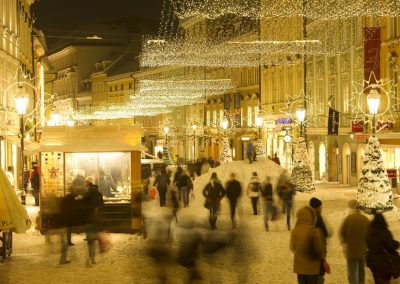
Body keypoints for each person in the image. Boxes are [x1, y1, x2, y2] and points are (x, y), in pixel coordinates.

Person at [290, 205, 326, 284]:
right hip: (313, 267)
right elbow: (320, 250)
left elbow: (292, 248)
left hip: (299, 267)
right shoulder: (315, 231)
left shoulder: (294, 231)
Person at [339, 200, 370, 284]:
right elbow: (370, 235)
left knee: (352, 271)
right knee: (361, 270)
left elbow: (342, 233)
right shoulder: (365, 219)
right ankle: (361, 282)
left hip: (351, 250)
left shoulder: (348, 219)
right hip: (362, 250)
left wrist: (344, 245)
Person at [366, 212, 400, 284]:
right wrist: (397, 244)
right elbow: (391, 245)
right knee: (384, 280)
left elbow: (366, 243)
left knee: (377, 279)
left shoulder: (369, 232)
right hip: (384, 261)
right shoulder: (384, 231)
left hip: (372, 260)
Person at [81, 176, 104, 266]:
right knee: (92, 240)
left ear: (89, 182)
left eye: (86, 182)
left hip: (89, 219)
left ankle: (88, 260)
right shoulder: (98, 191)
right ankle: (92, 259)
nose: (85, 183)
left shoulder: (89, 192)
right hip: (96, 219)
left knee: (90, 241)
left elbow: (83, 203)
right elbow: (101, 204)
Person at [309, 198, 332, 284]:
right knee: (319, 274)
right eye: (320, 207)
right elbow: (325, 233)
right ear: (317, 208)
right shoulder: (318, 218)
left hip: (308, 252)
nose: (321, 208)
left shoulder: (307, 217)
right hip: (319, 251)